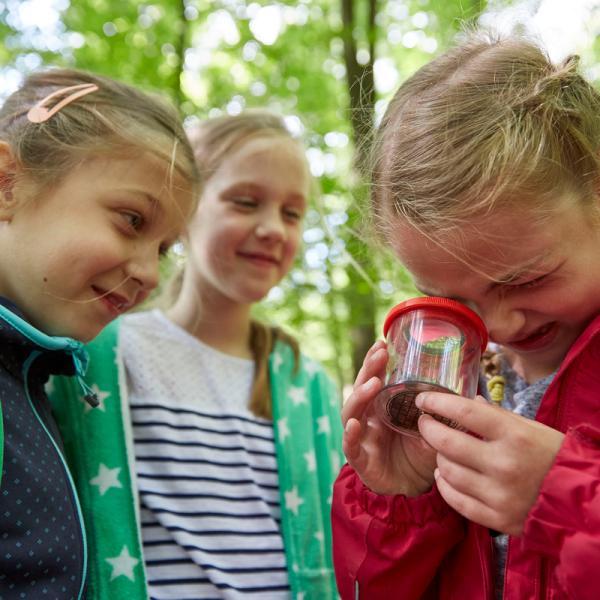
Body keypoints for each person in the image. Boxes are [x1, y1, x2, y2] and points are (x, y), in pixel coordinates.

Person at [331, 31, 600, 600]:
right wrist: (401, 503)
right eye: (455, 303)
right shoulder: (461, 379)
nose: (499, 327)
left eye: (527, 279)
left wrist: (565, 501)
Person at [51, 111, 344, 599]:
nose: (273, 228)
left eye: (292, 213)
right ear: (184, 211)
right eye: (245, 202)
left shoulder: (304, 384)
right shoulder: (103, 354)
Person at [0, 69, 199, 598]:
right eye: (132, 220)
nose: (152, 275)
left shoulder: (34, 377)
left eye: (163, 249)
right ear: (6, 183)